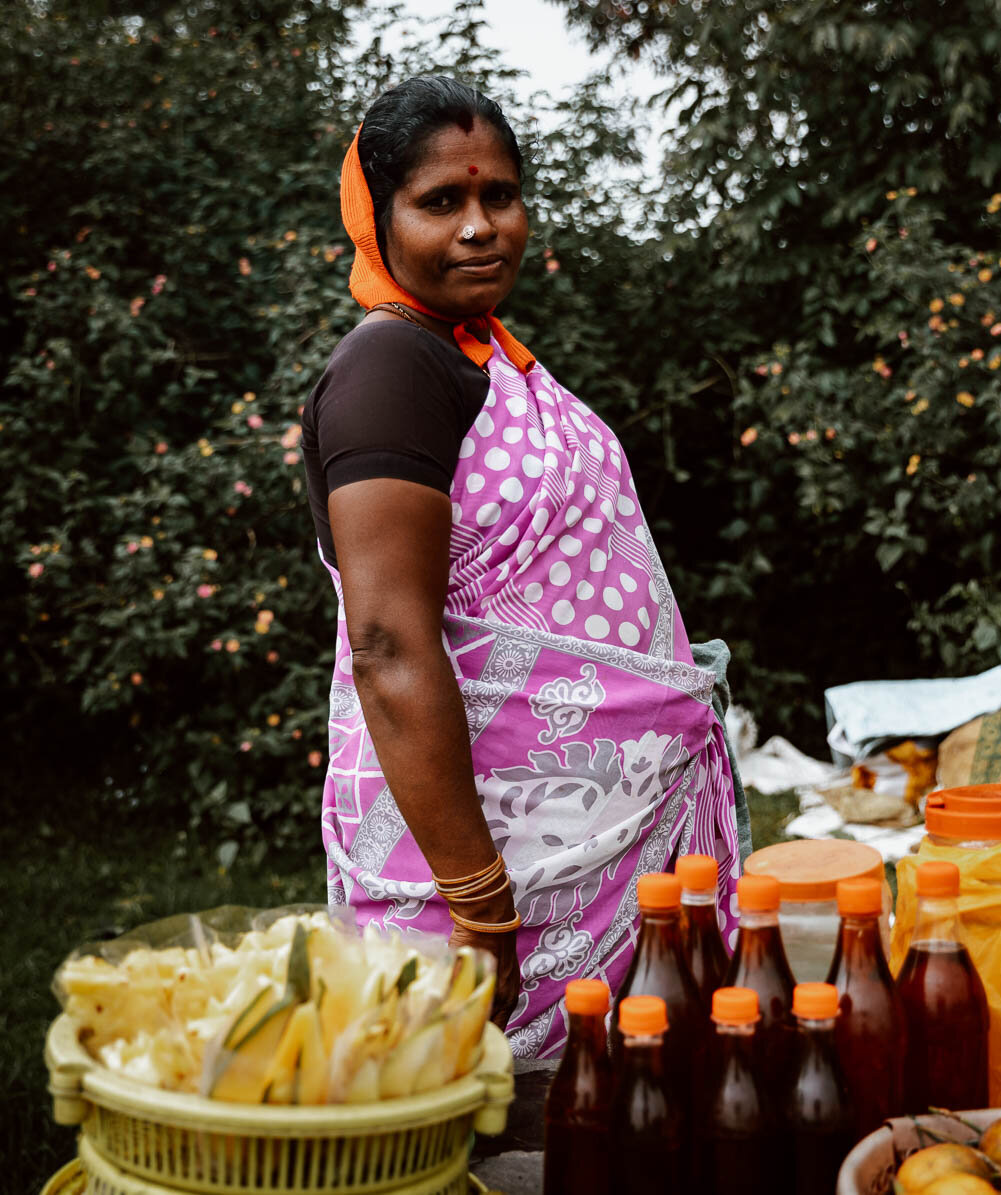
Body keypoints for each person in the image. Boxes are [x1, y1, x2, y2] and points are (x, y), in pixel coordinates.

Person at [302, 76, 749, 1057]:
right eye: (441, 201)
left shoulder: (485, 358)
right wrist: (478, 894)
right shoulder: (392, 370)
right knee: (480, 1121)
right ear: (374, 218)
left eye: (498, 195)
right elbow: (386, 641)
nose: (479, 227)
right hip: (493, 866)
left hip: (595, 844)